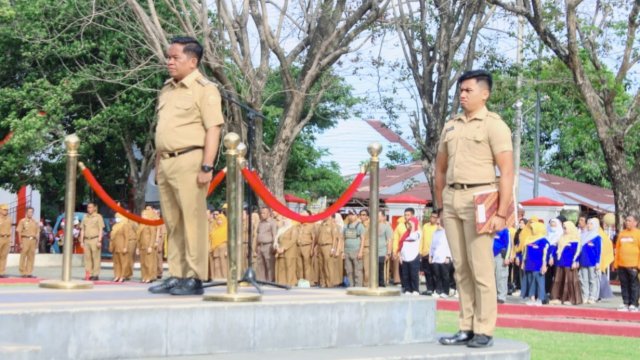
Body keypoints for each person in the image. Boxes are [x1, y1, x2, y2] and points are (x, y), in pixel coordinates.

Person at [435, 70, 514, 348]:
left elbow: (506, 172)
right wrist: (441, 206)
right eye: (461, 90)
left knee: (481, 269)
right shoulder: (451, 125)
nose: (463, 95)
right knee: (461, 269)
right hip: (453, 198)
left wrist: (502, 213)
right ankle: (465, 326)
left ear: (485, 93)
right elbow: (440, 169)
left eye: (468, 90)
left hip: (481, 198)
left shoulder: (495, 125)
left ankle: (484, 329)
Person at [148, 36, 224, 296]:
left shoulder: (205, 89)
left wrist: (207, 166)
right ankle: (177, 274)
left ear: (193, 62)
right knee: (173, 223)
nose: (169, 62)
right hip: (166, 161)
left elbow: (213, 129)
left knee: (193, 222)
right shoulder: (167, 89)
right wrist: (158, 166)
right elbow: (163, 131)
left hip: (191, 159)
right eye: (168, 57)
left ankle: (194, 277)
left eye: (175, 57)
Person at [550, 222, 583, 305]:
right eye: (563, 228)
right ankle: (557, 297)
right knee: (558, 280)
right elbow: (555, 249)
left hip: (569, 263)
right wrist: (551, 257)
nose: (564, 230)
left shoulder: (575, 239)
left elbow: (577, 252)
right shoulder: (561, 238)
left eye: (566, 228)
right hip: (560, 262)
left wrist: (575, 261)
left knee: (569, 281)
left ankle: (570, 299)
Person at [614, 215, 640, 312]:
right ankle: (626, 302)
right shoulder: (622, 233)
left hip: (633, 265)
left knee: (634, 285)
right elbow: (617, 249)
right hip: (621, 264)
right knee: (624, 285)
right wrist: (616, 264)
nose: (627, 222)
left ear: (635, 223)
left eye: (629, 221)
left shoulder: (638, 234)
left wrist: (638, 265)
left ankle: (634, 304)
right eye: (626, 221)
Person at [522, 221, 549, 306]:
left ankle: (540, 299)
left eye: (533, 228)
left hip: (539, 264)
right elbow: (525, 252)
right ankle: (532, 298)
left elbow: (545, 254)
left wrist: (544, 265)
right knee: (530, 281)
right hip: (529, 263)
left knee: (539, 281)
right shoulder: (529, 238)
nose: (532, 230)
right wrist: (523, 262)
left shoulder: (543, 240)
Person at [579, 218, 602, 304]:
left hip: (592, 262)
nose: (589, 225)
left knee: (592, 279)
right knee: (583, 279)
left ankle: (593, 296)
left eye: (591, 224)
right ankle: (585, 295)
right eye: (588, 223)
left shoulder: (597, 237)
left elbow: (598, 251)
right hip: (583, 261)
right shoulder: (583, 235)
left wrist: (597, 262)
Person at [80, 203, 105, 281]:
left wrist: (99, 240)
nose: (89, 209)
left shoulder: (98, 217)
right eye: (88, 207)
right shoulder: (85, 217)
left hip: (95, 239)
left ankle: (95, 274)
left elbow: (101, 229)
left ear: (94, 208)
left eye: (91, 207)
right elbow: (82, 230)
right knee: (87, 258)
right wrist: (81, 241)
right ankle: (89, 274)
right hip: (86, 239)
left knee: (96, 257)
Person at [398, 216, 421, 295]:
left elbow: (413, 237)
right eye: (408, 224)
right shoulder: (405, 234)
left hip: (414, 257)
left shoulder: (418, 232)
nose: (409, 226)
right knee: (406, 275)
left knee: (414, 274)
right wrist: (400, 255)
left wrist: (413, 226)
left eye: (410, 224)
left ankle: (415, 289)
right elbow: (401, 245)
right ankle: (408, 289)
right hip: (405, 257)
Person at [392, 208, 416, 285]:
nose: (406, 216)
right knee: (403, 270)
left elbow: (420, 239)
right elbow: (396, 239)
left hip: (413, 252)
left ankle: (413, 287)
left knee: (412, 270)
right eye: (405, 215)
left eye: (408, 215)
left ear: (412, 215)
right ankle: (405, 286)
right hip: (402, 251)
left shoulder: (417, 225)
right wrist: (395, 251)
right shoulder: (400, 226)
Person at [316, 216, 340, 288]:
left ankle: (330, 283)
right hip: (320, 246)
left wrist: (333, 248)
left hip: (328, 246)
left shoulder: (332, 225)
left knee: (328, 265)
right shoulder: (321, 225)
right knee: (321, 265)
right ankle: (323, 282)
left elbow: (335, 238)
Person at [343, 211, 365, 287]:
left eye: (352, 215)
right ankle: (351, 286)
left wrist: (361, 252)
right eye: (349, 215)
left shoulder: (360, 226)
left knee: (357, 270)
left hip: (356, 251)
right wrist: (342, 251)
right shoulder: (346, 226)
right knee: (349, 270)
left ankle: (358, 287)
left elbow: (363, 239)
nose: (350, 216)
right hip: (347, 251)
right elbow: (343, 239)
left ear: (356, 216)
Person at [255, 207, 277, 282]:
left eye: (264, 213)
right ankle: (261, 280)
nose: (262, 214)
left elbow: (274, 235)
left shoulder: (272, 222)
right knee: (260, 264)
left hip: (268, 245)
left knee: (269, 264)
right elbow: (257, 234)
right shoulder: (260, 222)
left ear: (268, 213)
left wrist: (274, 246)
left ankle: (270, 280)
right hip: (260, 245)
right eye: (261, 213)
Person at [274, 219, 299, 286]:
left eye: (286, 219)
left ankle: (290, 282)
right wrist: (277, 246)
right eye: (284, 219)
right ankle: (281, 282)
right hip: (280, 250)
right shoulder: (281, 229)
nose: (285, 220)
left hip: (289, 250)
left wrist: (284, 248)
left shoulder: (293, 228)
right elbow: (276, 239)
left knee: (289, 266)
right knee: (281, 266)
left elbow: (293, 240)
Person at [430, 220, 451, 298]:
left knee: (445, 276)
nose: (437, 225)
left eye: (439, 224)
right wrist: (431, 256)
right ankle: (438, 290)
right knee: (437, 275)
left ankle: (445, 291)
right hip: (436, 257)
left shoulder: (447, 233)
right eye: (437, 224)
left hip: (444, 257)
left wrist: (448, 256)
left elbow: (449, 245)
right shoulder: (435, 233)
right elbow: (432, 245)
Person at [138, 209, 158, 283]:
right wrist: (137, 247)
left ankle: (149, 277)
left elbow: (153, 236)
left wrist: (150, 246)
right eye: (142, 215)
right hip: (142, 246)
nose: (143, 216)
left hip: (148, 246)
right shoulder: (141, 224)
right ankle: (144, 276)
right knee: (143, 263)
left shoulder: (151, 224)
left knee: (149, 263)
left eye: (145, 215)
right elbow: (138, 237)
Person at [420, 212, 439, 295]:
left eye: (435, 217)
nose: (432, 218)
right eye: (431, 216)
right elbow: (422, 239)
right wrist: (420, 251)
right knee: (427, 272)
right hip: (425, 253)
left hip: (434, 254)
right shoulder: (425, 226)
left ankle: (436, 289)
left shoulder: (438, 228)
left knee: (435, 272)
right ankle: (429, 289)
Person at [545, 218, 563, 301]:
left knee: (556, 275)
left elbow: (558, 248)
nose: (552, 226)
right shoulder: (546, 234)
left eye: (554, 225)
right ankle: (547, 291)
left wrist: (552, 257)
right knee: (547, 275)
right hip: (546, 258)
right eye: (551, 225)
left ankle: (556, 293)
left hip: (556, 258)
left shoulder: (560, 235)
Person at [296, 210, 316, 282]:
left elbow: (314, 238)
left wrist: (312, 249)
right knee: (299, 265)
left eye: (304, 215)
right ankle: (300, 280)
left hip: (307, 246)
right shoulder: (298, 225)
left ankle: (308, 281)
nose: (302, 217)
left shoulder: (311, 225)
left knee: (307, 265)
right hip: (298, 246)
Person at [493, 227, 511, 304]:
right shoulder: (489, 228)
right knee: (491, 277)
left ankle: (501, 296)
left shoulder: (505, 230)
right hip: (489, 255)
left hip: (500, 256)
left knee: (501, 277)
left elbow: (509, 244)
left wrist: (507, 257)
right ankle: (493, 295)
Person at [109, 214, 128, 282]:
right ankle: (117, 275)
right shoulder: (114, 226)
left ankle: (122, 276)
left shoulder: (124, 225)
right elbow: (111, 237)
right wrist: (111, 245)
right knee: (116, 262)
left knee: (122, 262)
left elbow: (126, 237)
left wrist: (125, 247)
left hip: (122, 246)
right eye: (116, 217)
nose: (116, 218)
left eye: (118, 217)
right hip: (115, 246)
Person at [377, 210, 393, 287]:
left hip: (382, 251)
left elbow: (389, 240)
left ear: (384, 217)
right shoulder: (373, 225)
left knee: (380, 268)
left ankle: (381, 283)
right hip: (373, 251)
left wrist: (388, 252)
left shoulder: (387, 227)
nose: (377, 217)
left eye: (379, 216)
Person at [209, 213, 228, 280]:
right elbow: (211, 238)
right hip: (215, 248)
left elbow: (229, 241)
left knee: (223, 264)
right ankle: (217, 278)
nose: (219, 221)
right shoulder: (215, 229)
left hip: (223, 247)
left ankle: (224, 277)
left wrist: (227, 250)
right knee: (216, 264)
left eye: (221, 220)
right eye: (218, 220)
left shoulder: (226, 229)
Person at [0, 204, 11, 277]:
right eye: (4, 209)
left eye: (7, 210)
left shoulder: (9, 219)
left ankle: (2, 272)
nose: (6, 211)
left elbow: (10, 229)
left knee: (4, 256)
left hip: (6, 238)